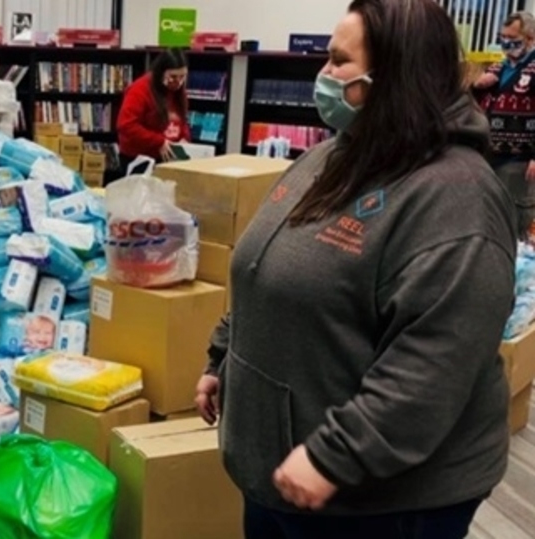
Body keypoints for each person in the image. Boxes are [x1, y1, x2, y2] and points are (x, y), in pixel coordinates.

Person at [195, 1, 516, 538]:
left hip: (379, 501)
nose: (322, 75)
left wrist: (333, 457)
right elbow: (266, 265)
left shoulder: (457, 198)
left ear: (394, 75)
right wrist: (222, 356)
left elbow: (433, 363)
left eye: (338, 61)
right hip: (286, 474)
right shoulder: (333, 157)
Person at [473, 11, 535, 237]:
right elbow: (475, 105)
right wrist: (478, 86)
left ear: (530, 39)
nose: (506, 43)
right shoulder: (497, 68)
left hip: (519, 160)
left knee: (514, 219)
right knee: (488, 215)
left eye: (513, 38)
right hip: (490, 155)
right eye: (503, 37)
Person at [113, 49, 190, 182]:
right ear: (161, 72)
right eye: (173, 76)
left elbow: (181, 120)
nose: (178, 81)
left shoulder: (177, 91)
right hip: (139, 158)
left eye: (182, 77)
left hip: (168, 157)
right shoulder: (139, 90)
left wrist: (184, 138)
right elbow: (125, 124)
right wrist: (158, 141)